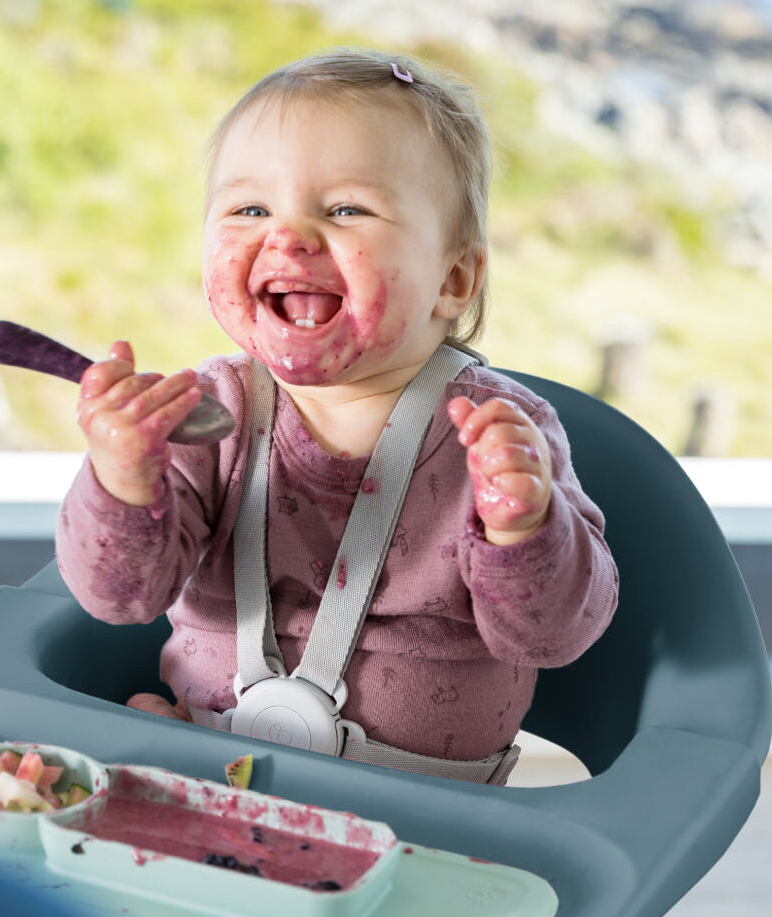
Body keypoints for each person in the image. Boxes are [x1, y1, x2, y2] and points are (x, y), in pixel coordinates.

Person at [56, 48, 618, 783]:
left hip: (422, 814)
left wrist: (522, 529)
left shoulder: (505, 433)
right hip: (208, 771)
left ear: (452, 280)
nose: (288, 237)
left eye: (346, 208)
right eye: (249, 209)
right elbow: (119, 599)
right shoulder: (204, 415)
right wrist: (123, 479)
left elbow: (554, 637)